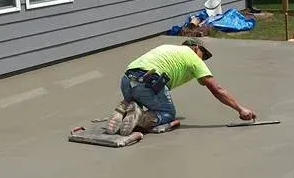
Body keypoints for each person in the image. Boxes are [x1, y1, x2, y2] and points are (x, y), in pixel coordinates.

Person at [105, 38, 257, 135]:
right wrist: (240, 109)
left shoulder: (166, 47)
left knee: (139, 101)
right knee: (166, 113)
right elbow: (217, 90)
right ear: (197, 48)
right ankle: (139, 118)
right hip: (149, 81)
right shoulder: (194, 59)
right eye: (203, 56)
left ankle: (124, 109)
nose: (203, 60)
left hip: (126, 79)